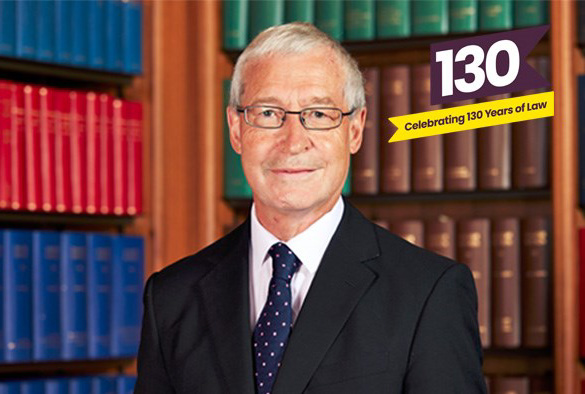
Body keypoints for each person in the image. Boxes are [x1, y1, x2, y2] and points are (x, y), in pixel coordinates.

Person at [134, 22, 486, 394]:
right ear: (236, 130)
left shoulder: (429, 293)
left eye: (318, 115)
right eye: (268, 113)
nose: (293, 142)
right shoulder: (171, 297)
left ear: (354, 130)